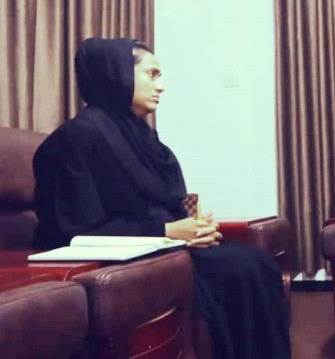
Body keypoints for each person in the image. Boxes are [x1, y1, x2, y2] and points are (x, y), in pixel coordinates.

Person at [33, 37, 290, 359]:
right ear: (117, 73)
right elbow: (73, 229)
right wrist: (167, 231)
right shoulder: (77, 138)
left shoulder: (141, 136)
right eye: (152, 74)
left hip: (161, 249)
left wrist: (195, 229)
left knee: (254, 261)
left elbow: (164, 205)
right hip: (124, 256)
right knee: (239, 268)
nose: (162, 86)